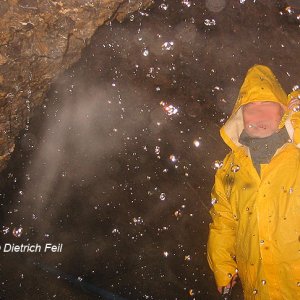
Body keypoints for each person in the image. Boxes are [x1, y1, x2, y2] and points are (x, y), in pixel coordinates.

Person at [207, 64, 300, 299]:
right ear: (240, 116)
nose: (259, 116)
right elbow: (224, 221)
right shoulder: (231, 167)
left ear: (283, 110)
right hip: (258, 287)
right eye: (251, 108)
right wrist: (222, 266)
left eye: (268, 105)